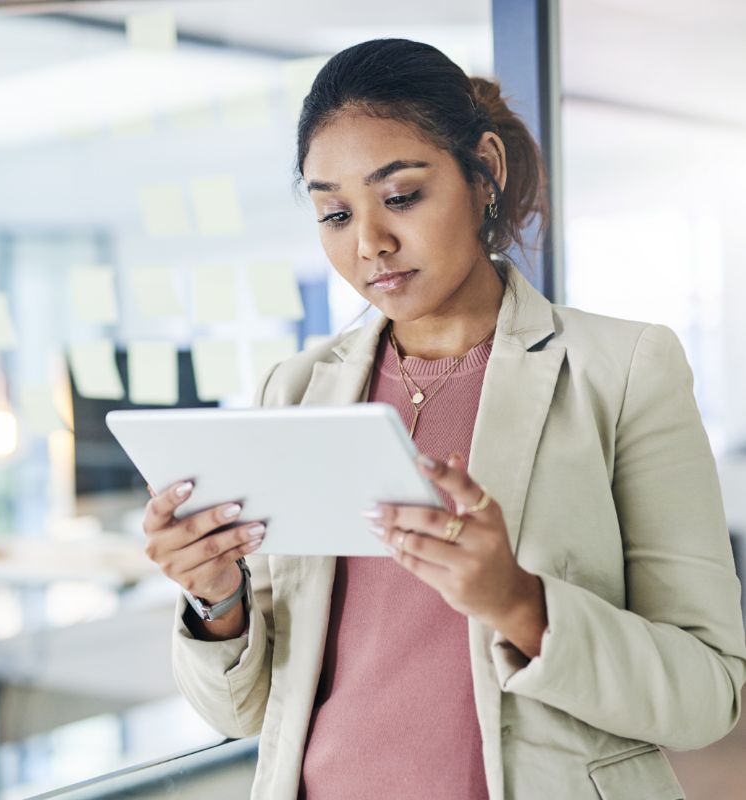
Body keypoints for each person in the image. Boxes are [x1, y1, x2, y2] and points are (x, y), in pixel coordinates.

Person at [141, 38, 746, 799]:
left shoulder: (624, 370)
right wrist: (215, 598)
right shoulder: (294, 390)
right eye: (333, 212)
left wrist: (520, 605)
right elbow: (244, 711)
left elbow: (707, 698)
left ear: (483, 169)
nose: (369, 244)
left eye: (400, 197)